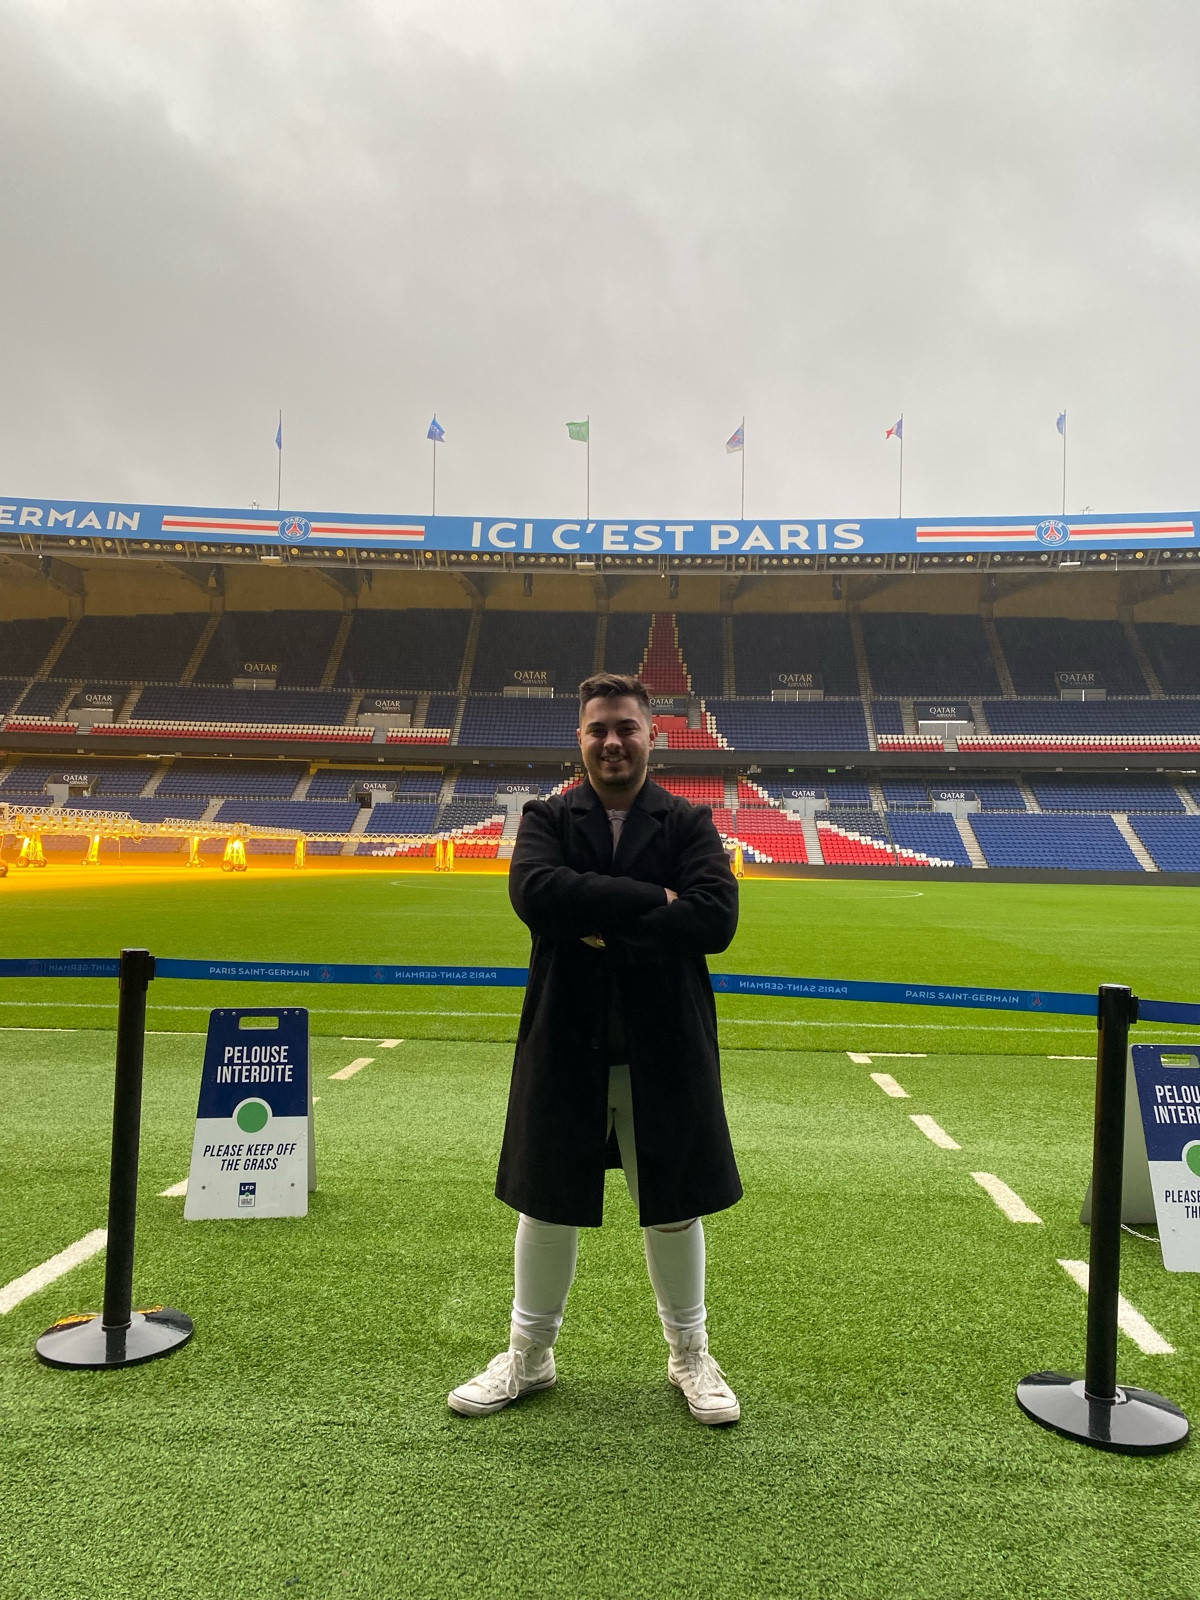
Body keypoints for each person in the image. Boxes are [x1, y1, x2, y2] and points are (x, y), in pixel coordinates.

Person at [448, 672, 743, 1424]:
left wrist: (596, 919)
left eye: (626, 728)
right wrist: (654, 903)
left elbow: (714, 920)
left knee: (674, 1208)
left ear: (652, 736)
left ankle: (689, 1355)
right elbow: (537, 896)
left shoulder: (689, 822)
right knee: (546, 1206)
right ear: (579, 739)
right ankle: (529, 1356)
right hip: (565, 1041)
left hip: (664, 1047)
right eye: (598, 729)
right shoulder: (545, 817)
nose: (612, 741)